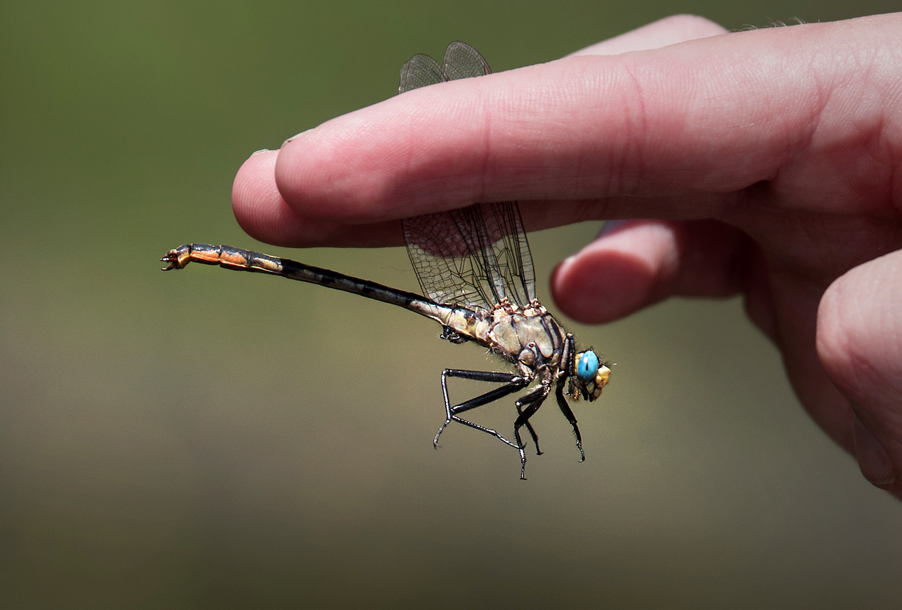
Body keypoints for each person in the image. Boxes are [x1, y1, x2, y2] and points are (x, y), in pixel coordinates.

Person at [230, 13, 902, 499]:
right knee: (466, 396)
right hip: (491, 315)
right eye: (584, 371)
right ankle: (223, 258)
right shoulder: (540, 360)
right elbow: (515, 401)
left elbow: (532, 404)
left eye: (585, 373)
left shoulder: (543, 369)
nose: (585, 377)